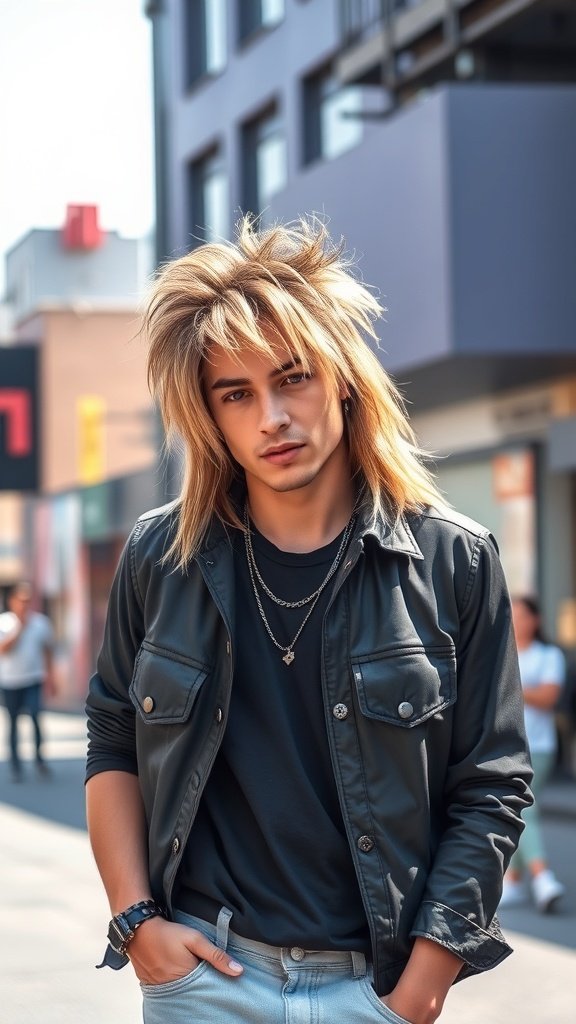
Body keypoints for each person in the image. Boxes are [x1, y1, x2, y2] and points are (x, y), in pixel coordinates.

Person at [85, 217, 532, 1024]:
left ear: (343, 378)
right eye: (236, 394)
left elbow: (490, 786)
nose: (271, 418)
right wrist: (137, 923)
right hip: (206, 976)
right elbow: (113, 738)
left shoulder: (454, 562)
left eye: (293, 378)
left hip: (377, 986)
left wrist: (424, 982)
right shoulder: (161, 557)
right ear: (209, 417)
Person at [500, 595, 566, 913]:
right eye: (513, 615)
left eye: (523, 615)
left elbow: (549, 696)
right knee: (520, 810)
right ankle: (512, 881)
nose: (517, 621)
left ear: (535, 620)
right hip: (505, 745)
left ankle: (542, 880)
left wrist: (510, 688)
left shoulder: (549, 655)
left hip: (538, 747)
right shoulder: (502, 651)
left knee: (525, 810)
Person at [0, 580, 55, 781]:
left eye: (28, 600)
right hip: (10, 682)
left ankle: (40, 760)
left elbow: (48, 651)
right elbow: (3, 650)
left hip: (33, 679)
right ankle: (15, 765)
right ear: (12, 601)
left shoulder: (41, 622)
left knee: (35, 716)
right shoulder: (4, 622)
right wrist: (19, 628)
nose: (25, 604)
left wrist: (52, 677)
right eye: (21, 600)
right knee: (13, 723)